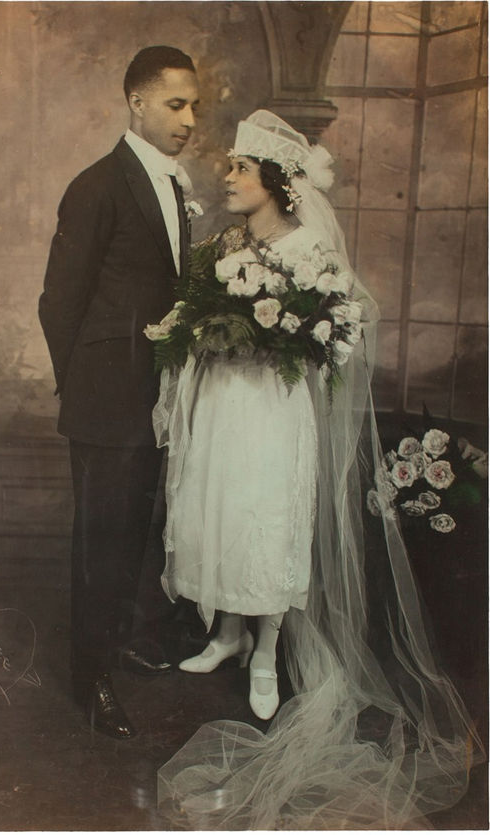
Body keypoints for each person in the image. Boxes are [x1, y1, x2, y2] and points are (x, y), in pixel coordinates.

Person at [151, 111, 483, 827]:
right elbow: (195, 322)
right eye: (231, 167)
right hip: (225, 404)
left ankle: (267, 646)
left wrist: (296, 335)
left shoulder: (307, 247)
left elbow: (351, 320)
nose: (229, 177)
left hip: (273, 408)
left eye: (241, 168)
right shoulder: (229, 244)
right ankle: (228, 632)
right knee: (222, 509)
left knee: (267, 516)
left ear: (276, 181)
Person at [38, 46, 199, 740]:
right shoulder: (98, 184)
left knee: (137, 532)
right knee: (101, 541)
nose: (190, 119)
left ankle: (119, 639)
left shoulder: (172, 184)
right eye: (175, 104)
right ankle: (91, 675)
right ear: (136, 102)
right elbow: (58, 303)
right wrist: (86, 389)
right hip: (106, 403)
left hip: (153, 400)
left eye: (194, 105)